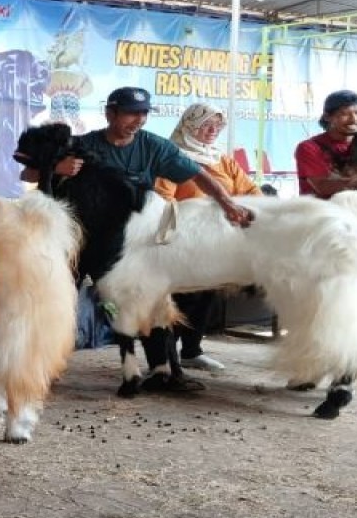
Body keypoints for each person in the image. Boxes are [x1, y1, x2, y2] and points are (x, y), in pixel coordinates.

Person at [50, 87, 254, 391]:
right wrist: (56, 168)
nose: (139, 120)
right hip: (83, 239)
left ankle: (164, 374)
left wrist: (228, 204)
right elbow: (29, 172)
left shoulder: (153, 146)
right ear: (110, 113)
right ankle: (43, 366)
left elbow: (197, 175)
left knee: (153, 301)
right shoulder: (81, 144)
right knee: (59, 298)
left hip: (133, 244)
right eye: (132, 112)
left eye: (144, 113)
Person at [154, 103, 262, 373]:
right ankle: (167, 358)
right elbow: (161, 198)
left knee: (209, 295)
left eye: (217, 126)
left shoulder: (221, 159)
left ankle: (192, 351)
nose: (213, 131)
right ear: (189, 125)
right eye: (205, 125)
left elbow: (249, 190)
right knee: (181, 298)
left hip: (217, 244)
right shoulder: (171, 156)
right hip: (183, 243)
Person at [293, 90, 357, 199]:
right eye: (344, 114)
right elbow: (323, 187)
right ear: (327, 117)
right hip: (322, 212)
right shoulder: (309, 147)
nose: (354, 119)